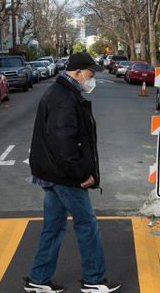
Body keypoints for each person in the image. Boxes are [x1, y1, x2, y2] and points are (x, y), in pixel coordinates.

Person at [24, 52, 121, 293]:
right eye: (90, 74)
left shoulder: (63, 93)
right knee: (87, 223)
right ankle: (94, 279)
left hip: (53, 174)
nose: (92, 79)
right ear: (77, 72)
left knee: (54, 226)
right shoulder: (64, 99)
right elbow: (63, 143)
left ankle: (38, 278)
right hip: (65, 175)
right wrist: (81, 174)